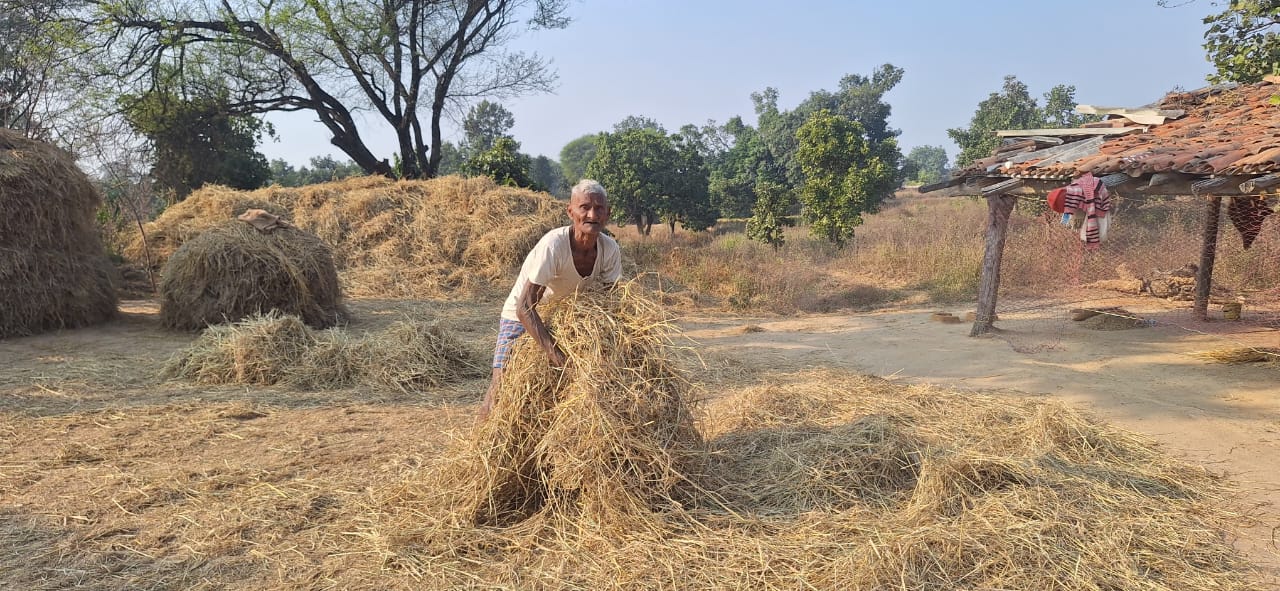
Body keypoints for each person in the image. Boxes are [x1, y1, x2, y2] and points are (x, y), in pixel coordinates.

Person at [478, 179, 622, 420]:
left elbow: (609, 302)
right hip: (522, 317)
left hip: (564, 318)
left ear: (608, 214)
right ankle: (478, 448)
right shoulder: (554, 246)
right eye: (584, 207)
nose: (592, 214)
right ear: (570, 211)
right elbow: (525, 307)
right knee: (501, 389)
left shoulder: (610, 250)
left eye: (599, 209)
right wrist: (555, 354)